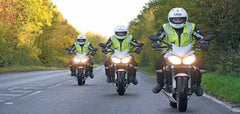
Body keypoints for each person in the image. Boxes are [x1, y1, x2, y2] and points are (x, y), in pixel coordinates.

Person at [151, 8, 210, 96]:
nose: (178, 21)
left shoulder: (191, 27)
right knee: (159, 63)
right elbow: (159, 37)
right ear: (171, 19)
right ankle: (160, 84)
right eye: (175, 19)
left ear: (184, 19)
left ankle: (197, 85)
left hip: (188, 52)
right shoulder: (165, 27)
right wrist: (155, 43)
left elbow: (200, 37)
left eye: (180, 19)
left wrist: (204, 42)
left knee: (200, 64)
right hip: (170, 52)